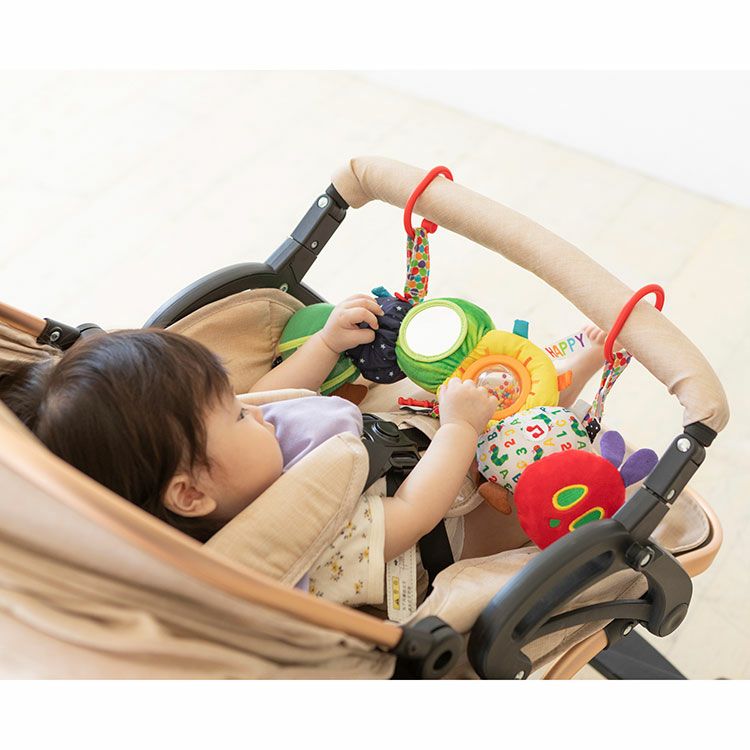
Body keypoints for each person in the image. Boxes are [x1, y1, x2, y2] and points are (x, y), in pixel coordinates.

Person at [0, 294, 609, 606]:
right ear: (190, 494)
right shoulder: (288, 541)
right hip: (442, 524)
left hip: (393, 448)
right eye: (237, 417)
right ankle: (574, 395)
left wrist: (324, 344)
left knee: (469, 398)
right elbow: (413, 515)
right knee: (514, 479)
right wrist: (459, 431)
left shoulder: (223, 462)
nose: (256, 415)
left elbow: (271, 394)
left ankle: (560, 377)